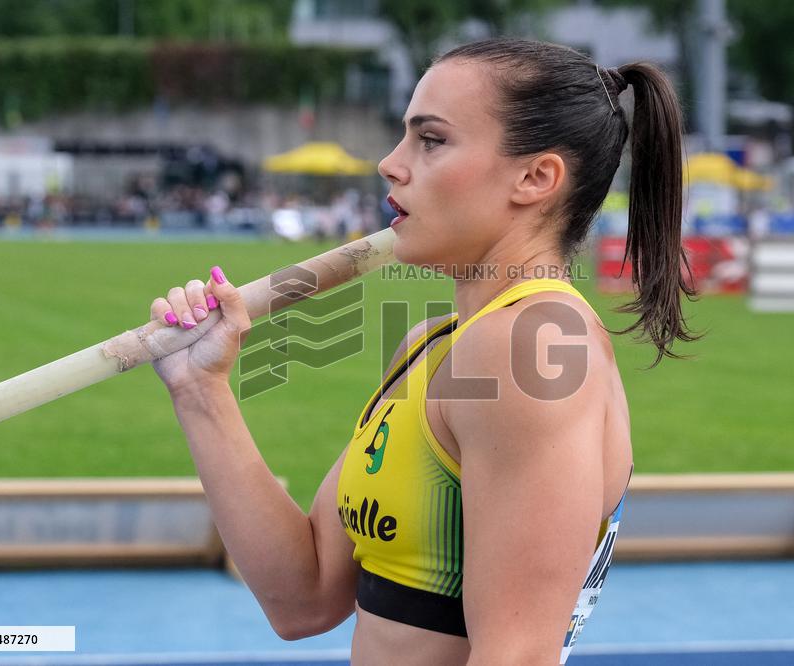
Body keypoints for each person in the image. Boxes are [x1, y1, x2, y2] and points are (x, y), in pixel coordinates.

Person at [148, 38, 698, 665]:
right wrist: (201, 388)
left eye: (430, 140)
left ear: (535, 177)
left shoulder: (531, 347)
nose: (389, 163)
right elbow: (302, 599)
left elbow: (517, 656)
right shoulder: (435, 347)